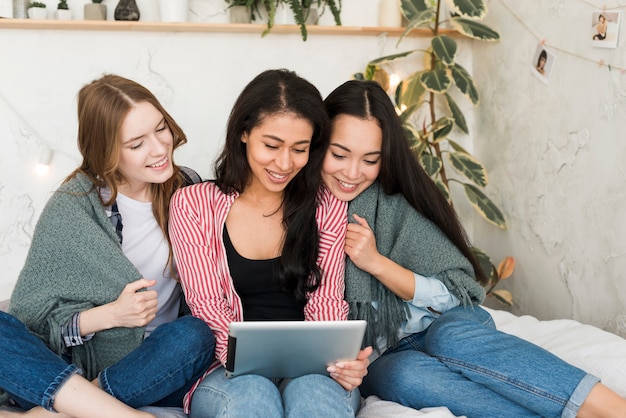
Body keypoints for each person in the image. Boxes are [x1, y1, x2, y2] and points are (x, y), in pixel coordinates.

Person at [321, 79, 626, 418]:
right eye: (339, 154)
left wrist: (376, 263)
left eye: (370, 159)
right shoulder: (298, 213)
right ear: (319, 143)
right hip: (382, 358)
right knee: (401, 375)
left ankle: (613, 409)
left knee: (450, 339)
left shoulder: (397, 203)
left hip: (444, 324)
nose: (351, 172)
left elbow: (457, 293)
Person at [0, 74, 215, 418]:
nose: (160, 149)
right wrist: (110, 315)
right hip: (65, 369)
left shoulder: (189, 190)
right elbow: (34, 324)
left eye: (161, 129)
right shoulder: (74, 206)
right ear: (106, 153)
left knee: (195, 334)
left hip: (154, 367)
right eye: (136, 144)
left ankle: (70, 409)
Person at [169, 68, 371, 418]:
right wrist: (243, 360)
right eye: (272, 145)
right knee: (253, 395)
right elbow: (206, 305)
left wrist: (340, 361)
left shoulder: (325, 205)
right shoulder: (194, 204)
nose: (284, 163)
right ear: (244, 133)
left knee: (313, 396)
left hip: (311, 369)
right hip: (227, 369)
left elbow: (326, 300)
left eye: (300, 149)